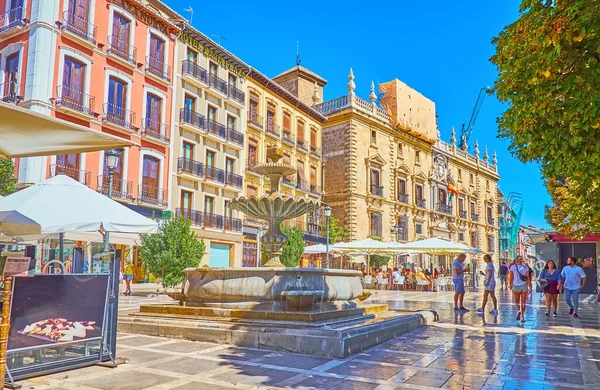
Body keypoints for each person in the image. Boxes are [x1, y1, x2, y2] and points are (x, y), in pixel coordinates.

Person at [508, 255, 532, 323]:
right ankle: (523, 317)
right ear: (522, 260)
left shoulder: (512, 267)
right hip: (524, 285)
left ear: (516, 260)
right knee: (523, 302)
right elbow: (528, 277)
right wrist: (530, 286)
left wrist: (510, 285)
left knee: (516, 301)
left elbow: (511, 277)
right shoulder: (526, 267)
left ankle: (519, 311)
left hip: (516, 285)